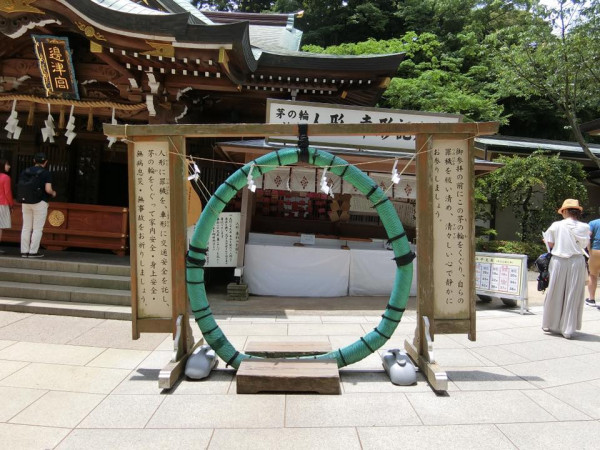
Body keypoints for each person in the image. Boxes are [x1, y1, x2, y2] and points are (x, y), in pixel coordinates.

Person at [542, 199, 590, 339]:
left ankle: (550, 323)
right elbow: (585, 245)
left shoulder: (556, 225)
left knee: (555, 292)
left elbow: (550, 244)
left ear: (565, 211)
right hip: (577, 261)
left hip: (559, 261)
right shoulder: (585, 227)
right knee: (572, 294)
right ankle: (568, 328)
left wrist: (546, 242)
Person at [19, 152, 56, 258]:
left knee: (26, 227)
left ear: (34, 161)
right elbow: (48, 189)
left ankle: (24, 251)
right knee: (37, 228)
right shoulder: (46, 173)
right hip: (40, 202)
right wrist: (53, 193)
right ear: (46, 162)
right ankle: (33, 252)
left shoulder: (25, 171)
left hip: (26, 202)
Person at [0, 158, 14, 253]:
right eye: (7, 164)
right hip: (2, 203)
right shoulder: (5, 177)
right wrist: (11, 205)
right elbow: (7, 192)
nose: (9, 166)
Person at [586, 217, 600, 307]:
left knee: (593, 275)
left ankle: (591, 299)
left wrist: (588, 249)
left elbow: (587, 237)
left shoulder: (593, 223)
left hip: (596, 250)